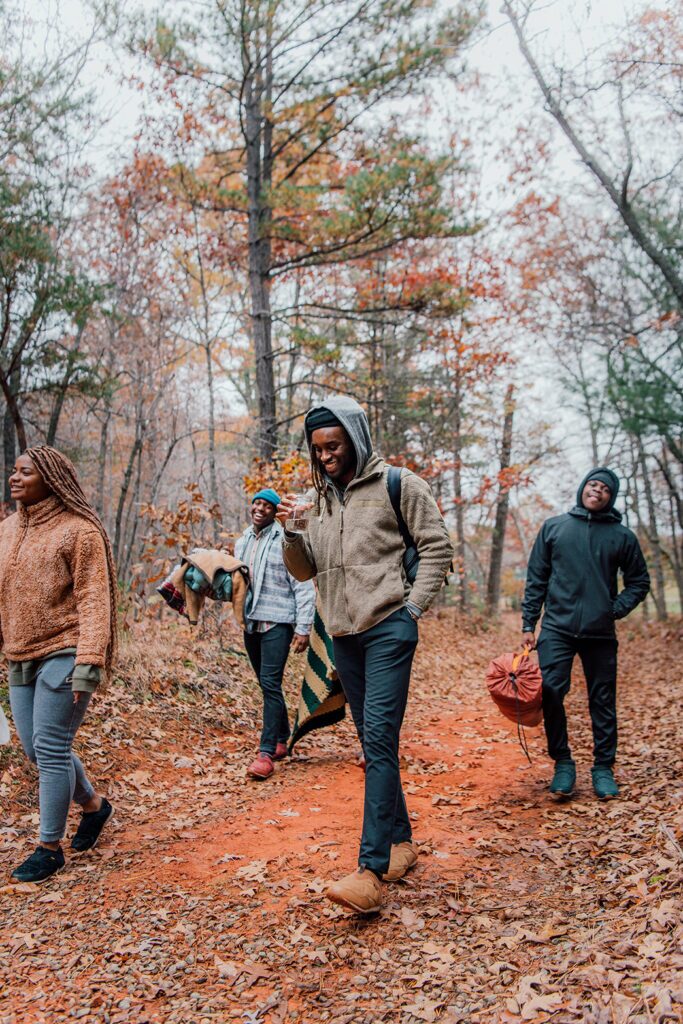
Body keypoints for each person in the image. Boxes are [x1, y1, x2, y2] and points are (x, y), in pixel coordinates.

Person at [278, 397, 453, 914]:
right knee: (373, 740)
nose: (326, 455)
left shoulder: (398, 484)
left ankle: (370, 872)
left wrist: (413, 609)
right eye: (318, 448)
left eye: (334, 445)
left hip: (388, 630)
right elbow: (305, 571)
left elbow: (437, 546)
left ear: (356, 438)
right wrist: (293, 532)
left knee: (377, 739)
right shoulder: (323, 501)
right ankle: (400, 843)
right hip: (343, 637)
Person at [0, 446, 118, 883]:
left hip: (66, 651)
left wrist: (90, 661)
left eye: (25, 472)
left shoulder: (79, 531)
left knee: (49, 749)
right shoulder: (8, 529)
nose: (15, 478)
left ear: (49, 478)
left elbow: (94, 600)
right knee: (36, 749)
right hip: (21, 654)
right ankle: (93, 805)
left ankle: (49, 847)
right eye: (13, 471)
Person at [521, 467, 650, 801]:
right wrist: (528, 624)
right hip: (556, 628)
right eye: (593, 484)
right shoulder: (554, 527)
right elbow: (537, 578)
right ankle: (563, 762)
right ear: (582, 488)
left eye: (605, 488)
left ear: (611, 497)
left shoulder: (622, 537)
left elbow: (640, 582)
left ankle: (603, 768)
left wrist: (614, 609)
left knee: (603, 701)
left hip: (600, 633)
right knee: (550, 691)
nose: (597, 490)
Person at [235, 488, 315, 781]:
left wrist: (303, 628)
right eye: (256, 503)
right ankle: (282, 737)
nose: (259, 508)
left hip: (278, 622)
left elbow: (303, 585)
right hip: (251, 623)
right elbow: (237, 580)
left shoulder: (285, 539)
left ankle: (266, 754)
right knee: (266, 683)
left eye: (266, 505)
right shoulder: (242, 540)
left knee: (270, 682)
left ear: (274, 511)